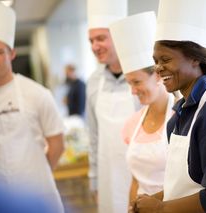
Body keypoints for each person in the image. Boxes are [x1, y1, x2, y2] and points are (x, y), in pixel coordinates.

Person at [131, 0, 206, 212]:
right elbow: (182, 187)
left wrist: (160, 208)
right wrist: (152, 201)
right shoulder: (182, 111)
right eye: (156, 61)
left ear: (195, 58)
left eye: (165, 59)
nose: (159, 68)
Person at [0, 2, 65, 212]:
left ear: (12, 54)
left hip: (38, 192)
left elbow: (57, 143)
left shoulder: (37, 93)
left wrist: (37, 176)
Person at [109, 11, 174, 203]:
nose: (132, 91)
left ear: (158, 76)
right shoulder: (132, 124)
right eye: (129, 83)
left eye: (136, 82)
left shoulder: (181, 119)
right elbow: (135, 182)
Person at [86, 0, 139, 212]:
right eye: (91, 40)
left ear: (119, 36)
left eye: (100, 38)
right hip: (108, 178)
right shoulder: (93, 82)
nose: (94, 46)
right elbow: (94, 136)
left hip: (141, 176)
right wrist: (95, 182)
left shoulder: (143, 77)